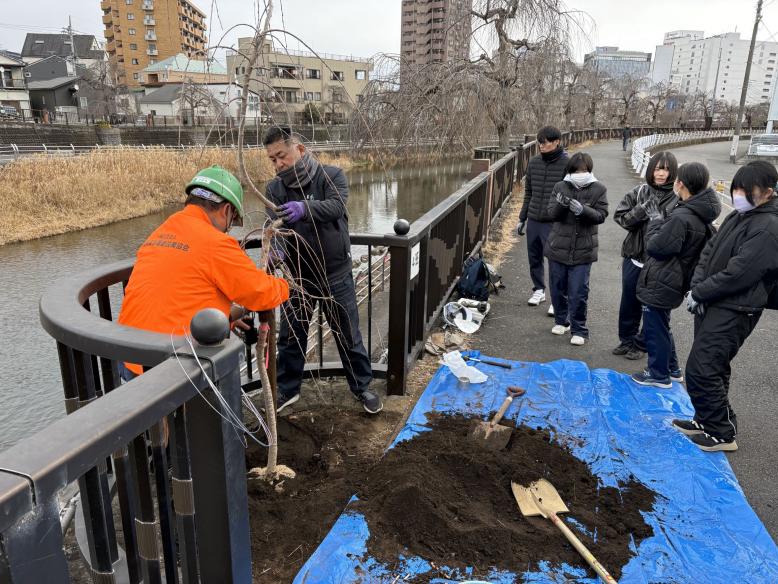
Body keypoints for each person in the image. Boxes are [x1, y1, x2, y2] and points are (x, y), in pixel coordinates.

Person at [118, 165, 290, 378]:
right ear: (226, 210)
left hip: (131, 355)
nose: (228, 229)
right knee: (224, 382)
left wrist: (225, 316)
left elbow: (180, 291)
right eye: (232, 222)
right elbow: (260, 292)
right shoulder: (215, 242)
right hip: (174, 366)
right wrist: (287, 286)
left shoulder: (162, 232)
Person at [263, 126, 382, 415]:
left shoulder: (331, 175)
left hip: (335, 273)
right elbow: (273, 228)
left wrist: (305, 208)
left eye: (281, 155)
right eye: (272, 159)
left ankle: (361, 386)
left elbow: (335, 206)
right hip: (297, 278)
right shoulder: (274, 190)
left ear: (299, 149)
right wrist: (276, 250)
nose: (278, 164)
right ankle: (288, 390)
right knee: (290, 338)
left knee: (348, 335)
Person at [673, 161, 778, 452]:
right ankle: (706, 419)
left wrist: (701, 292)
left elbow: (741, 273)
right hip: (713, 300)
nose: (738, 195)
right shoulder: (741, 215)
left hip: (736, 308)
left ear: (768, 192)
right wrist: (697, 287)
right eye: (736, 189)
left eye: (747, 191)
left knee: (703, 368)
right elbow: (709, 250)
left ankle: (721, 431)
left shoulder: (768, 226)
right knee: (713, 366)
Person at [632, 162, 720, 389]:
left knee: (655, 327)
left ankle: (658, 374)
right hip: (675, 278)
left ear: (680, 184)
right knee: (661, 324)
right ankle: (672, 369)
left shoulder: (683, 216)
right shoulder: (699, 212)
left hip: (664, 278)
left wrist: (655, 221)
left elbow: (656, 247)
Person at [613, 151, 679, 360]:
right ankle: (626, 340)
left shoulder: (677, 199)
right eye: (658, 168)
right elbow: (621, 218)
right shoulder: (639, 191)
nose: (661, 174)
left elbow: (678, 232)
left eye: (666, 170)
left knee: (652, 307)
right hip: (634, 257)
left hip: (659, 263)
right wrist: (641, 210)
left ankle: (641, 345)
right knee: (628, 302)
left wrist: (658, 220)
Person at [544, 152, 608, 346]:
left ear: (589, 170)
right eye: (575, 171)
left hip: (583, 250)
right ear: (569, 171)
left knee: (578, 291)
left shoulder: (599, 189)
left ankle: (579, 329)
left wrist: (583, 210)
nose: (579, 174)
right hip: (558, 247)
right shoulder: (560, 186)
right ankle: (561, 321)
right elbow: (551, 213)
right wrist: (562, 205)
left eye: (583, 171)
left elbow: (601, 215)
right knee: (557, 288)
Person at [517, 126, 569, 315]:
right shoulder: (534, 163)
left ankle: (557, 298)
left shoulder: (567, 164)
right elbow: (528, 192)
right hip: (534, 218)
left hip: (554, 221)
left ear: (556, 142)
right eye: (539, 142)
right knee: (534, 256)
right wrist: (522, 217)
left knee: (555, 261)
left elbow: (570, 195)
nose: (541, 145)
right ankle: (539, 289)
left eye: (545, 142)